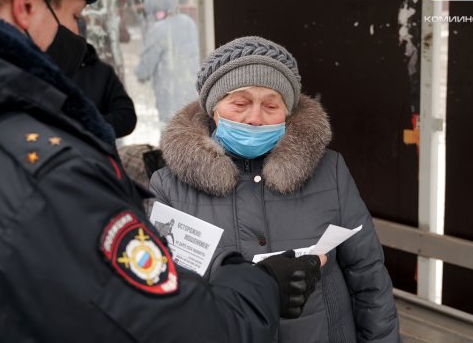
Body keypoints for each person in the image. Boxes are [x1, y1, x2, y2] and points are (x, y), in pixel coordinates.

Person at [0, 0, 326, 342]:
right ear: (27, 4)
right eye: (75, 15)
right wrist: (258, 285)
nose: (77, 32)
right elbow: (181, 331)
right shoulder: (48, 178)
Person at [150, 36, 401, 342]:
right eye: (240, 103)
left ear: (288, 112)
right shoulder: (169, 186)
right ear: (213, 108)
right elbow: (161, 293)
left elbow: (368, 274)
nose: (255, 118)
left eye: (271, 105)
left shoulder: (329, 171)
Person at [135, 0, 199, 127]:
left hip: (170, 99)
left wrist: (139, 73)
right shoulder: (188, 22)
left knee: (171, 139)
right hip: (193, 95)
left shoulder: (158, 30)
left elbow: (145, 68)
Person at [76, 40, 137, 138]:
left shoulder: (102, 72)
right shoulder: (44, 72)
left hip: (94, 150)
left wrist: (88, 123)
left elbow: (126, 118)